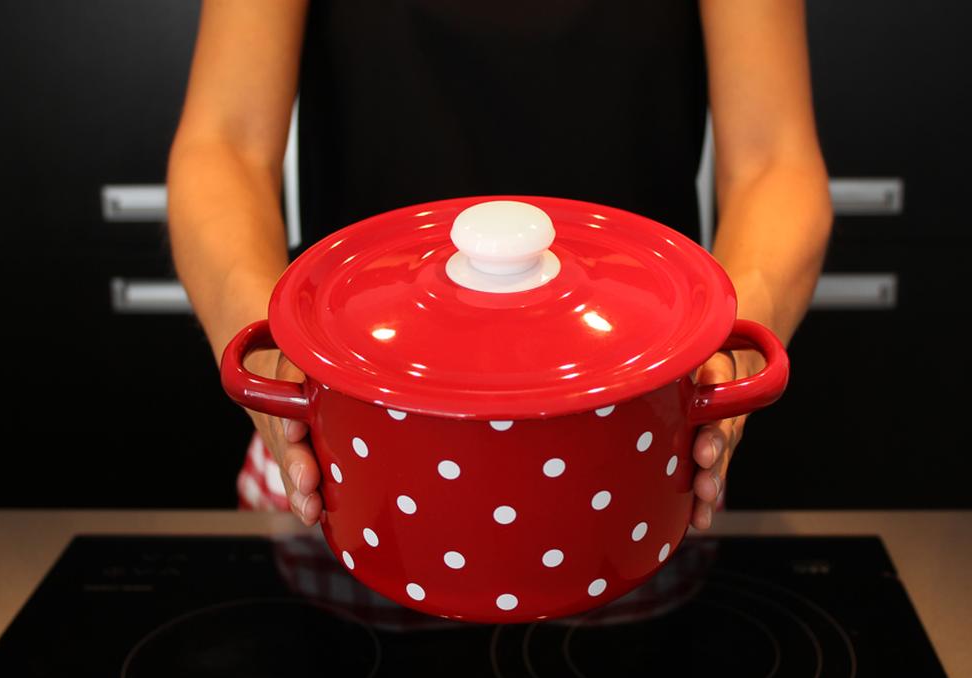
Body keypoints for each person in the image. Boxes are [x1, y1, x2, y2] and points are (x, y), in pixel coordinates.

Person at [167, 0, 832, 530]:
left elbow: (775, 160)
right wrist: (269, 362)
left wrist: (725, 356)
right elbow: (225, 143)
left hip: (642, 446)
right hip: (341, 444)